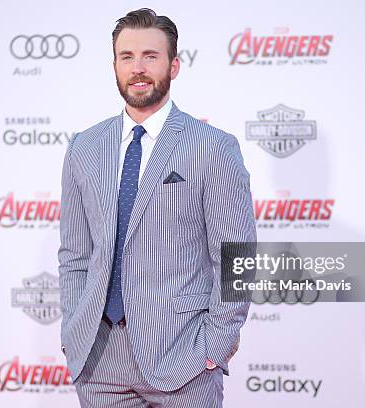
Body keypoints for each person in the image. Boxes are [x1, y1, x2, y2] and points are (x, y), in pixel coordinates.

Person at [58, 8, 256, 407]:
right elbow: (75, 255)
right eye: (127, 57)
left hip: (184, 358)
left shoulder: (211, 146)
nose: (138, 68)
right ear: (113, 65)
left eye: (151, 55)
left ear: (175, 65)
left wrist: (215, 345)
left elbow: (237, 258)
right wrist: (73, 331)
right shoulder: (84, 147)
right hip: (99, 363)